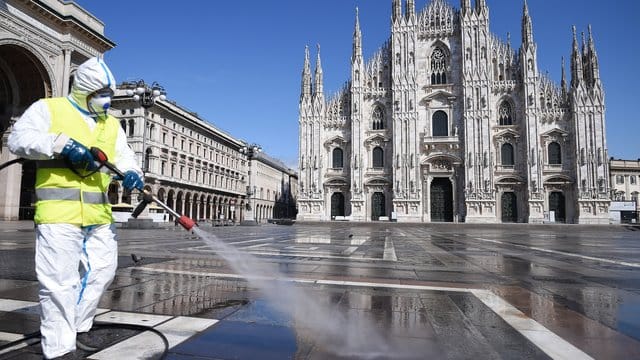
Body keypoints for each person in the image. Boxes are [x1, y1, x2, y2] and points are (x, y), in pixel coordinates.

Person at [8, 57, 143, 359]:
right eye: (102, 93)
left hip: (98, 214)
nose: (108, 100)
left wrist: (134, 173)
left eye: (109, 93)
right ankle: (59, 349)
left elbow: (124, 157)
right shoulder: (49, 110)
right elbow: (19, 139)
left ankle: (78, 324)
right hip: (59, 214)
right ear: (84, 90)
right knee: (59, 283)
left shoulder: (112, 125)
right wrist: (61, 145)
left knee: (104, 270)